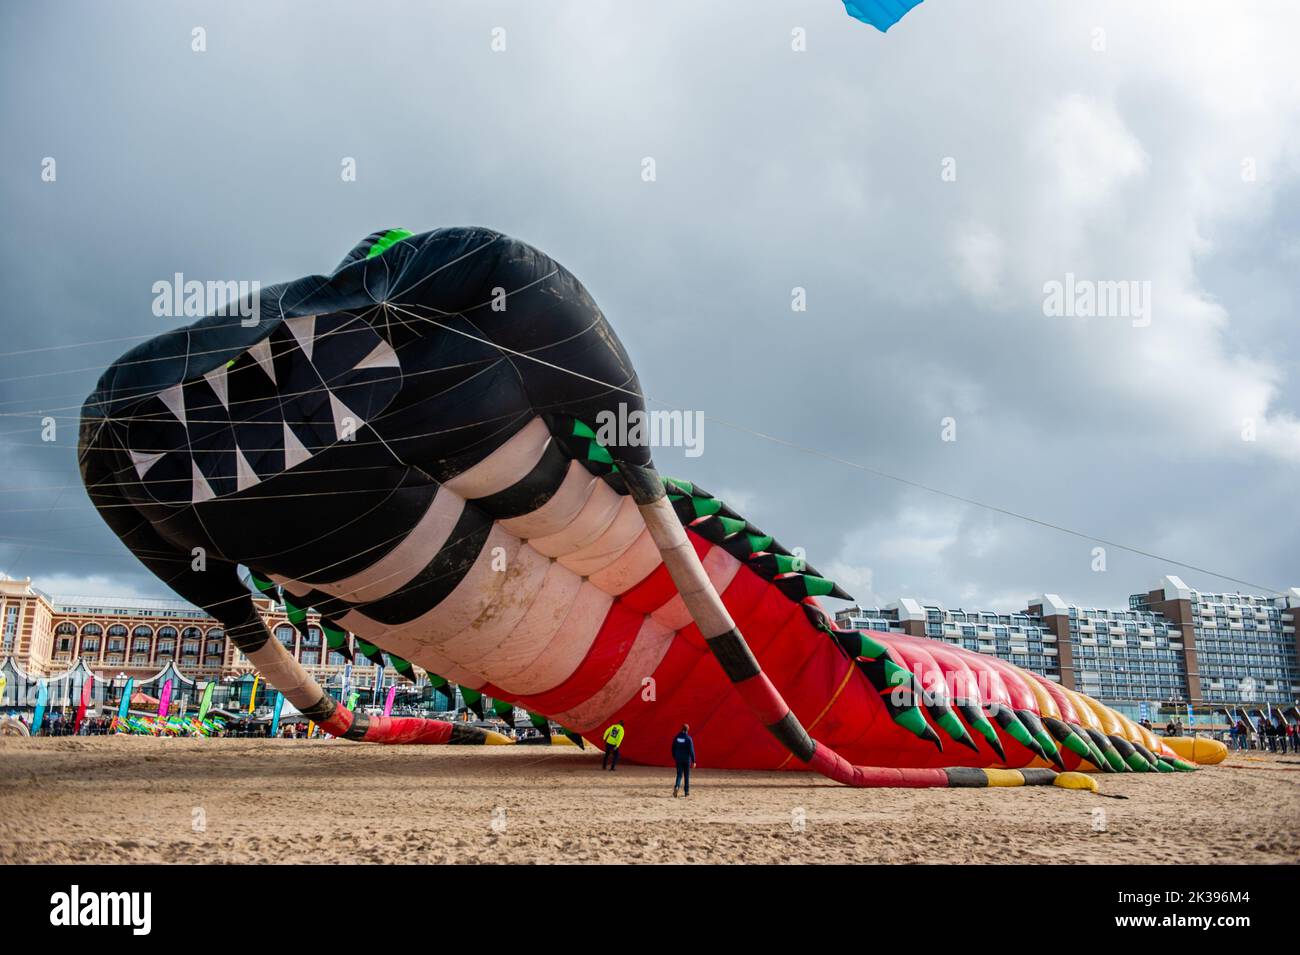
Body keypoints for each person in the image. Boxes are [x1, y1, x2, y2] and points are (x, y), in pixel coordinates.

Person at [671, 723, 696, 797]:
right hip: (686, 760)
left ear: (681, 729)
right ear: (687, 730)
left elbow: (673, 748)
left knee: (679, 775)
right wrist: (694, 761)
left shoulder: (676, 737)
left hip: (678, 759)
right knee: (686, 776)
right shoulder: (688, 739)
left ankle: (677, 786)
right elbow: (691, 750)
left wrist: (675, 757)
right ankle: (686, 792)